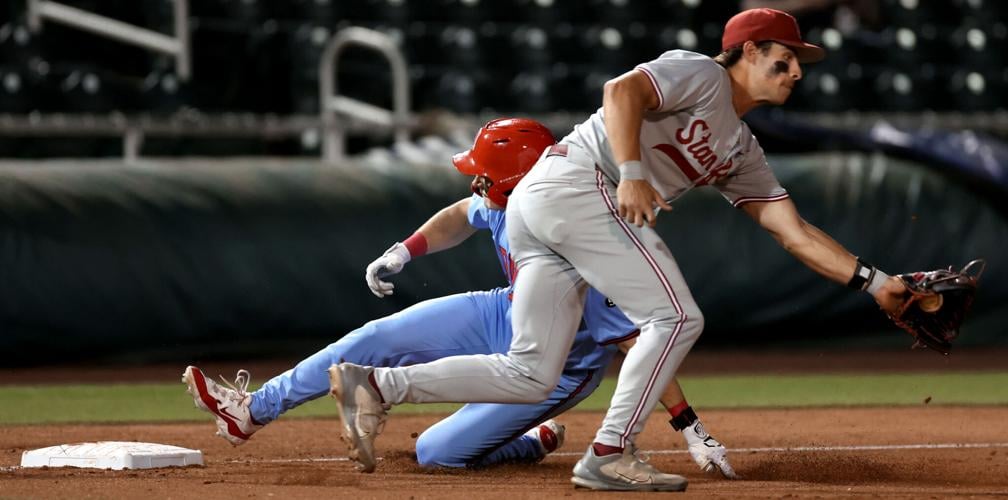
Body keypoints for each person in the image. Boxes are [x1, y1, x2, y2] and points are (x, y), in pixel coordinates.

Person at [329, 8, 909, 491]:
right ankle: (610, 453)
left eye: (799, 63)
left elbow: (793, 231)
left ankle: (377, 386)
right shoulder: (703, 74)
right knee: (676, 317)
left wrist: (877, 283)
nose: (797, 71)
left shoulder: (740, 148)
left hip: (549, 205)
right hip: (579, 184)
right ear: (749, 50)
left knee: (532, 373)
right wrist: (631, 172)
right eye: (785, 58)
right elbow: (621, 90)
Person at [182, 118, 735, 474]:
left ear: (515, 181)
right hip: (502, 310)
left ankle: (531, 439)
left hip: (558, 368)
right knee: (376, 337)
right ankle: (252, 411)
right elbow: (459, 214)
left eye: (485, 174)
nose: (476, 181)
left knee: (437, 454)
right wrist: (404, 251)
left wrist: (689, 425)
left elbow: (641, 343)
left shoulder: (585, 237)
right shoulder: (504, 203)